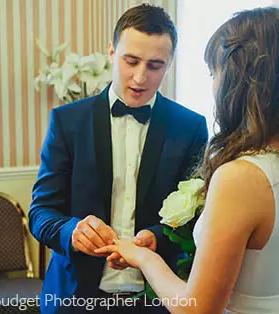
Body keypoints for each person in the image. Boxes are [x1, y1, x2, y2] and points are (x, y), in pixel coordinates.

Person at [96, 6, 279, 314]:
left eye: (214, 73)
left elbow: (196, 309)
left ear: (237, 80)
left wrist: (142, 256)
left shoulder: (239, 177)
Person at [29, 3, 208, 313]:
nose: (140, 77)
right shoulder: (67, 121)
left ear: (170, 63)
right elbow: (41, 212)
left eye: (155, 65)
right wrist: (72, 232)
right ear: (111, 51)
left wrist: (156, 237)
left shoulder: (191, 127)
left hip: (156, 299)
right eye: (131, 61)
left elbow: (198, 218)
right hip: (75, 297)